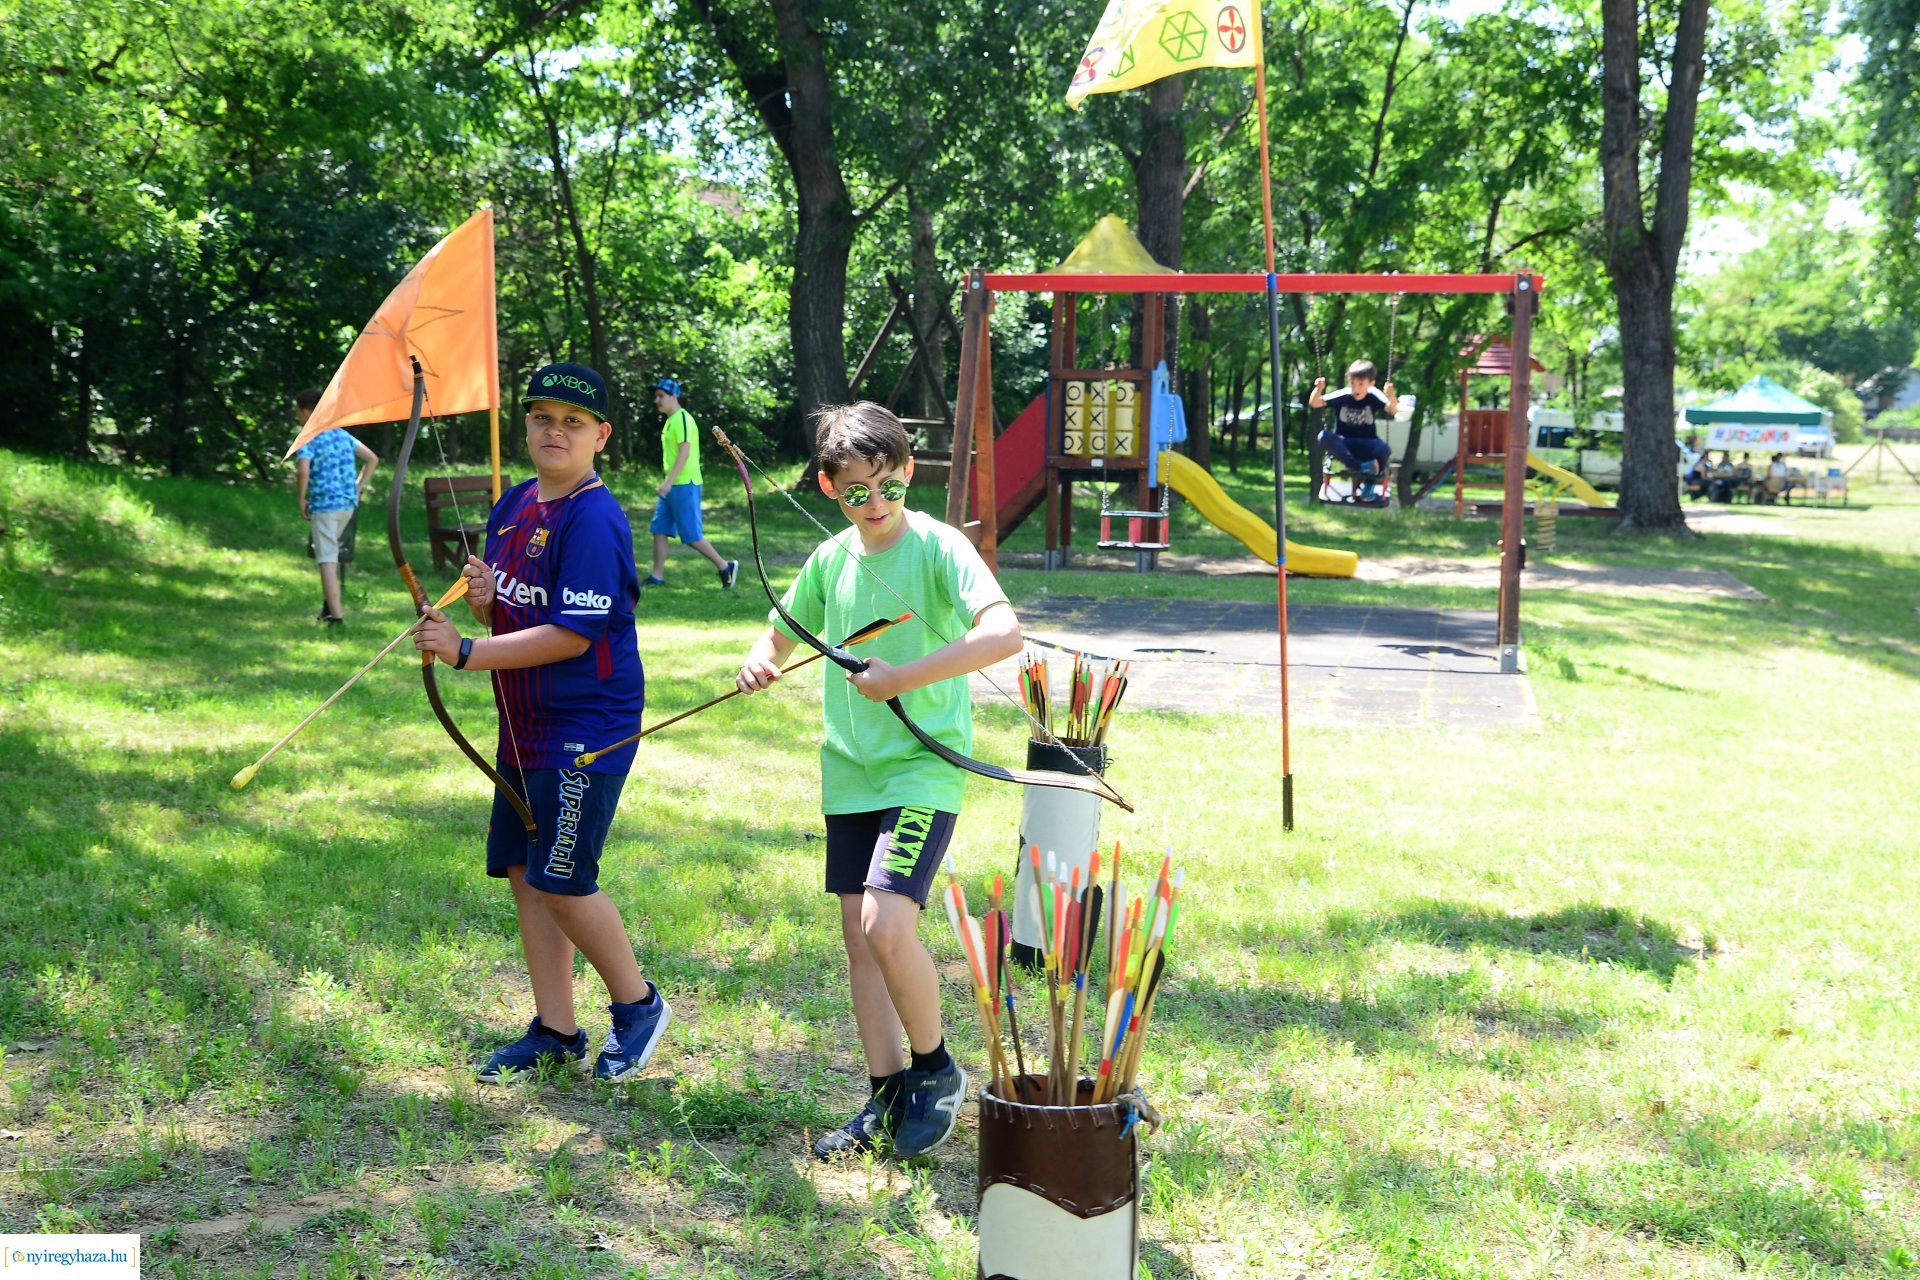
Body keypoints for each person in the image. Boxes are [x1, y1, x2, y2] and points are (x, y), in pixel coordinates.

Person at [732, 401, 1022, 1161]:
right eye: (857, 491)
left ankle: (937, 1072)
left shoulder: (936, 546)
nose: (876, 504)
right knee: (860, 946)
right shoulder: (831, 559)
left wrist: (905, 678)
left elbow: (1003, 631)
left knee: (885, 925)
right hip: (849, 772)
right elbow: (785, 629)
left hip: (922, 768)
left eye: (888, 485)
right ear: (830, 487)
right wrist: (763, 659)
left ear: (907, 473)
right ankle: (886, 1095)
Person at [412, 361, 670, 1086]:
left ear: (601, 436)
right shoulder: (516, 503)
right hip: (524, 723)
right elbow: (512, 613)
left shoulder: (593, 518)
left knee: (562, 877)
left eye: (573, 422)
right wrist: (485, 605)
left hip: (584, 725)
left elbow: (572, 635)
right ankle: (556, 1029)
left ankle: (638, 1004)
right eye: (542, 417)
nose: (555, 431)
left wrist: (467, 650)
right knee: (527, 875)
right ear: (524, 425)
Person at [292, 389, 379, 625]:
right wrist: (358, 487)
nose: (298, 417)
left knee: (327, 559)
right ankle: (328, 606)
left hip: (325, 505)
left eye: (298, 412)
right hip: (347, 505)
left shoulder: (308, 437)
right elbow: (372, 458)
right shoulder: (342, 435)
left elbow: (303, 471)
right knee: (331, 554)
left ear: (307, 411)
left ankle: (336, 618)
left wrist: (301, 499)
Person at [645, 378, 738, 590]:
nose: (657, 400)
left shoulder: (683, 419)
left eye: (661, 396)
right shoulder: (670, 421)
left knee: (691, 536)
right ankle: (656, 576)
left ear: (673, 397)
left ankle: (725, 566)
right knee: (659, 529)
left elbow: (685, 453)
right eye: (656, 396)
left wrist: (668, 482)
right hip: (672, 485)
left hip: (684, 484)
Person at [1309, 360, 1397, 501]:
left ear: (1371, 383)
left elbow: (1393, 410)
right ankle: (1361, 467)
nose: (1356, 388)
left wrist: (1391, 395)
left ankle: (1369, 485)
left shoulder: (1373, 397)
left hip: (1368, 443)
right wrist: (1318, 389)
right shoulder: (1343, 395)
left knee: (1385, 450)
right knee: (1324, 436)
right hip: (1344, 443)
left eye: (1361, 384)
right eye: (1352, 383)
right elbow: (1315, 403)